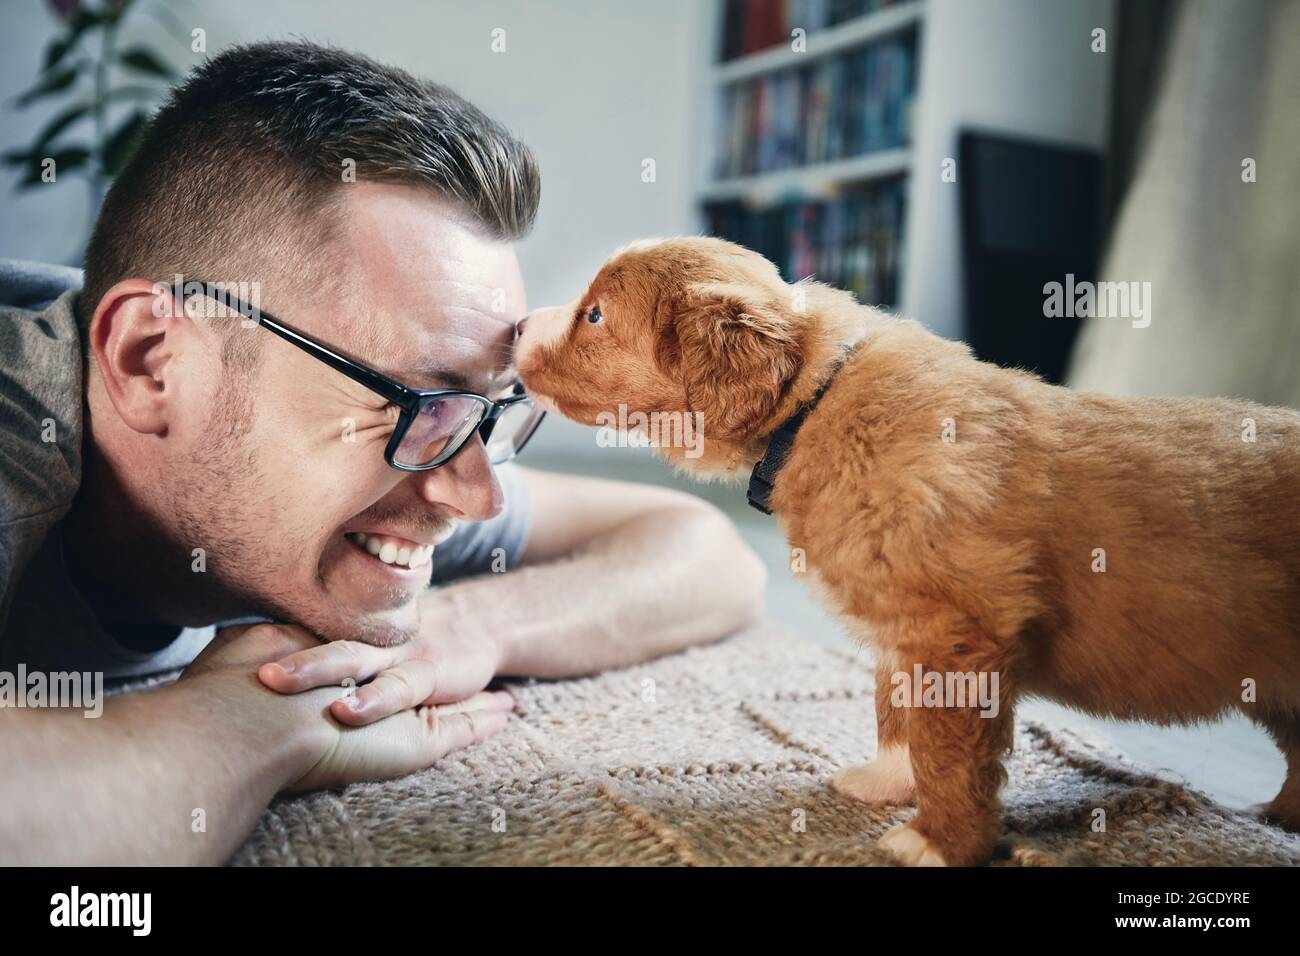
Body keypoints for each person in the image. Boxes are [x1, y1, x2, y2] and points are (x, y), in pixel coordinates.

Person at [0, 42, 765, 865]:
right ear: (153, 361)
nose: (476, 497)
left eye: (485, 409)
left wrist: (465, 626)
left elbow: (705, 551)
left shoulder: (407, 468)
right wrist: (249, 722)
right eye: (419, 400)